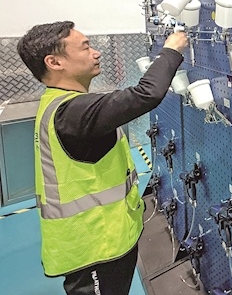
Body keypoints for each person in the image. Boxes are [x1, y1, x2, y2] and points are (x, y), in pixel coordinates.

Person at [17, 21, 188, 295]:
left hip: (103, 239)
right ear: (54, 62)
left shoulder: (58, 103)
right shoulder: (72, 112)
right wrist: (172, 49)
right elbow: (146, 95)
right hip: (94, 247)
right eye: (85, 47)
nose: (96, 53)